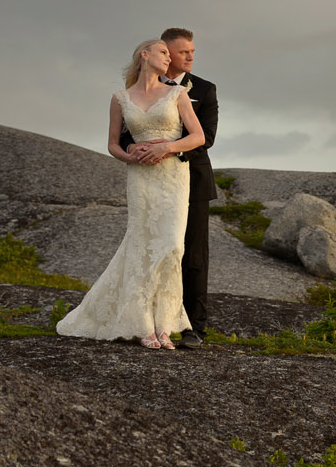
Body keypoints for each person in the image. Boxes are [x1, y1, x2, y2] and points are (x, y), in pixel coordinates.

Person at [55, 38, 208, 349]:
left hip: (173, 177)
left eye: (169, 53)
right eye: (163, 52)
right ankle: (144, 326)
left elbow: (198, 136)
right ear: (145, 55)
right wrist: (129, 154)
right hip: (140, 177)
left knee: (172, 247)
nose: (169, 58)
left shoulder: (178, 94)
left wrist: (167, 146)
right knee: (141, 243)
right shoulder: (120, 98)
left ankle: (165, 325)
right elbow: (113, 144)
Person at [117, 26, 217, 348]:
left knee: (190, 252)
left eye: (192, 51)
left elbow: (207, 138)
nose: (190, 56)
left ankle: (193, 328)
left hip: (191, 179)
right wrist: (136, 150)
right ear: (164, 52)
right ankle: (150, 320)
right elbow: (124, 134)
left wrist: (166, 148)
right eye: (183, 51)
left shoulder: (203, 88)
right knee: (149, 247)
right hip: (147, 178)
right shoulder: (135, 91)